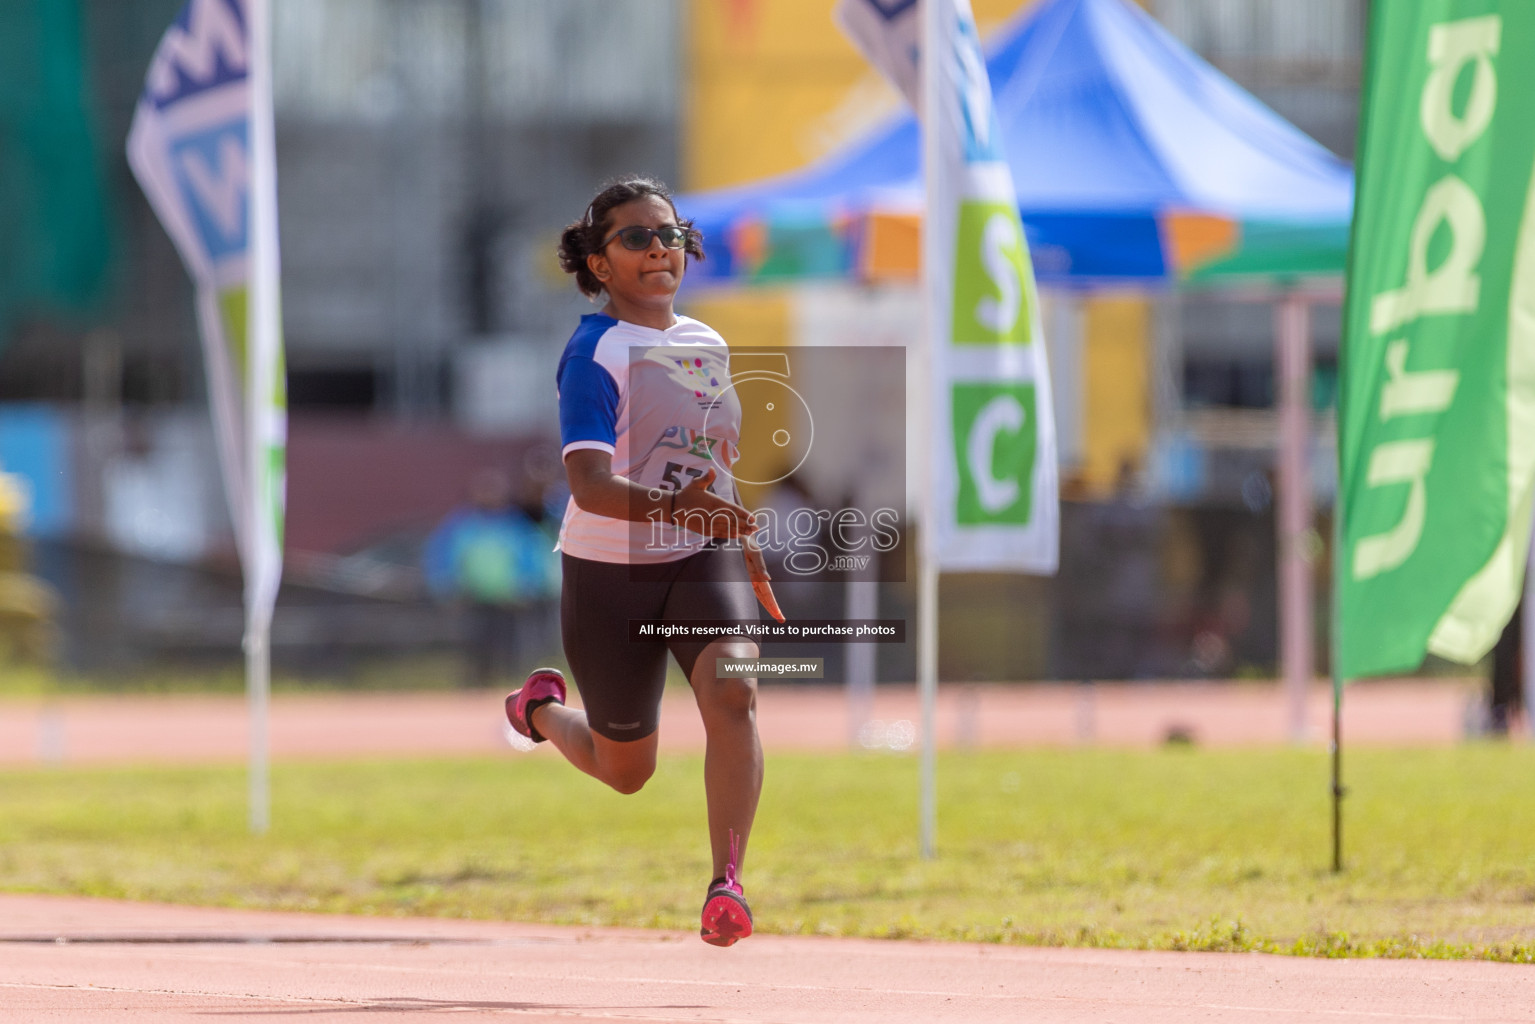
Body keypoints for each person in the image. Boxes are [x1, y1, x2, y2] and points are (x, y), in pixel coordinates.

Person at [504, 177, 782, 948]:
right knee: (627, 770)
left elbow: (708, 469)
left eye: (669, 233)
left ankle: (726, 884)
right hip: (606, 577)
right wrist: (685, 508)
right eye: (634, 237)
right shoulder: (593, 353)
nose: (658, 247)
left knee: (736, 695)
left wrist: (738, 537)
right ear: (598, 265)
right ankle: (536, 711)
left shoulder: (707, 344)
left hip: (699, 559)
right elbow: (588, 487)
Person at [423, 468, 557, 688]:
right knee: (475, 647)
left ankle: (514, 687)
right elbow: (442, 557)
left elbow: (532, 556)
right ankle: (477, 688)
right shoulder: (461, 525)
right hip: (473, 598)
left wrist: (529, 586)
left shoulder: (516, 524)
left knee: (512, 647)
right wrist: (447, 587)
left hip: (511, 600)